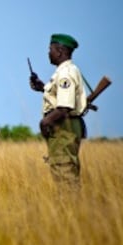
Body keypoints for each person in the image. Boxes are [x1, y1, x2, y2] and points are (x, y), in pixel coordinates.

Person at [29, 33, 87, 191]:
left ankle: (70, 211)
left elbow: (64, 107)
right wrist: (43, 88)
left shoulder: (65, 74)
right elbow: (60, 98)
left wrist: (45, 122)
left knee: (64, 174)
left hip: (63, 128)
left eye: (50, 49)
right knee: (64, 171)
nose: (48, 53)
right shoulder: (66, 70)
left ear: (60, 51)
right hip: (66, 128)